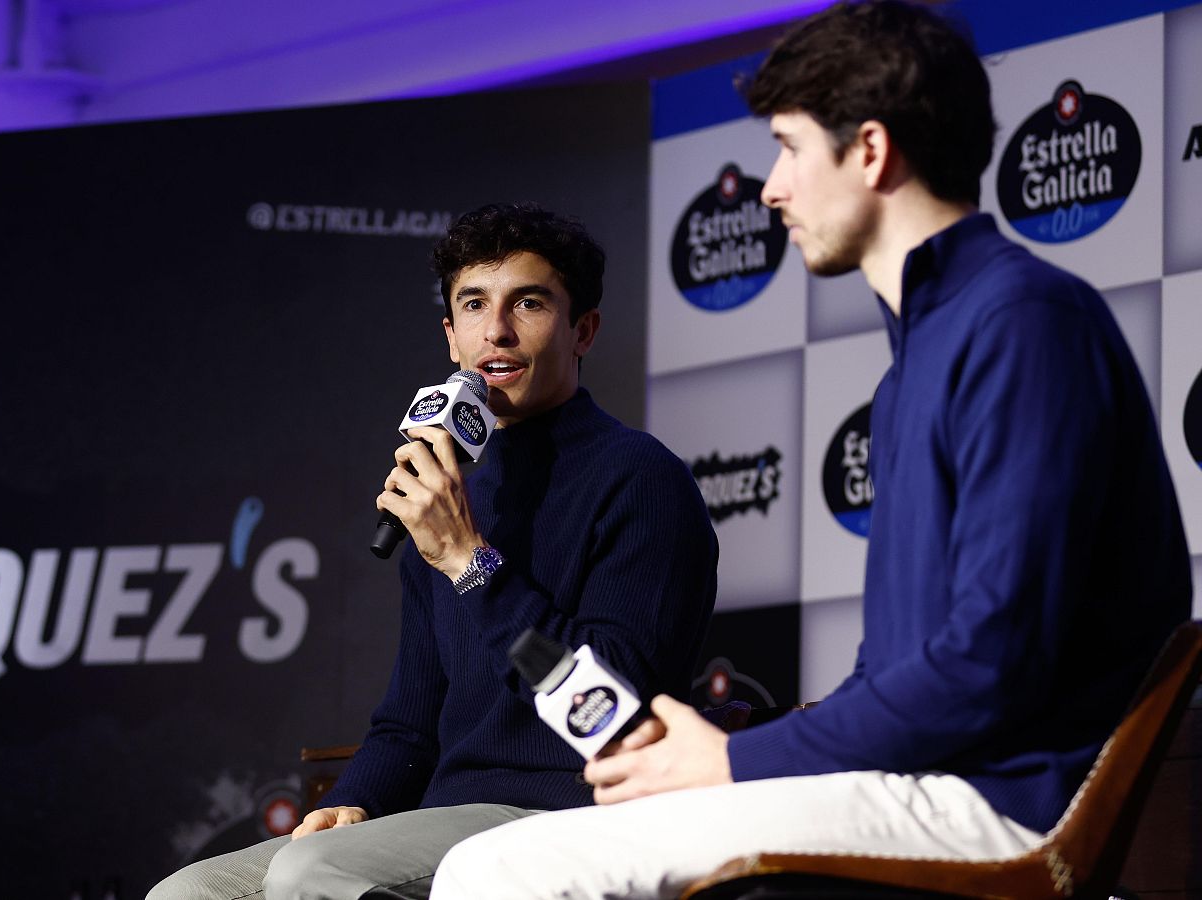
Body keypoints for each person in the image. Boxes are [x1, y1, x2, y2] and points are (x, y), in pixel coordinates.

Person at [431, 4, 1194, 898]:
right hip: (921, 779)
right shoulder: (928, 351)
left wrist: (738, 759)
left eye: (790, 148)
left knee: (501, 867)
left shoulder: (1020, 323)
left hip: (992, 803)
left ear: (869, 152)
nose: (770, 189)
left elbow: (990, 664)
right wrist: (748, 750)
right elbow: (904, 668)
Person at [146, 202, 718, 900]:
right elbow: (408, 722)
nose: (497, 330)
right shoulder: (443, 485)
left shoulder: (641, 480)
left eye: (529, 303)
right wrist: (352, 801)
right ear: (451, 338)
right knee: (187, 893)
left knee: (314, 874)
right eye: (474, 304)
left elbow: (605, 713)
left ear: (584, 330)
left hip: (571, 813)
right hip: (444, 819)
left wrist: (471, 564)